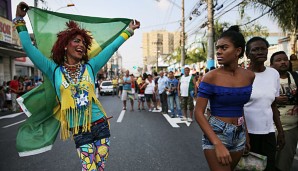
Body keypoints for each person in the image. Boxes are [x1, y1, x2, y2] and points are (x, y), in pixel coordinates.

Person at [14, 2, 140, 170]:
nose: (81, 45)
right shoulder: (53, 70)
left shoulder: (90, 67)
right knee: (89, 168)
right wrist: (19, 20)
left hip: (100, 124)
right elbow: (28, 47)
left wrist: (129, 31)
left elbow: (112, 48)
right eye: (76, 41)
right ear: (65, 45)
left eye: (83, 43)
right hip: (79, 130)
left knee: (98, 168)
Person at [195, 25, 255, 171]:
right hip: (217, 133)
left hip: (239, 133)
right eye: (218, 48)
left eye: (224, 47)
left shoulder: (249, 76)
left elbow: (241, 107)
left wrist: (245, 134)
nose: (219, 52)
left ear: (238, 51)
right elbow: (198, 112)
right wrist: (217, 143)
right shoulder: (211, 77)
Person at [244, 37, 285, 171]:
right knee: (249, 168)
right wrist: (244, 136)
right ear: (247, 54)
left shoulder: (273, 74)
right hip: (248, 134)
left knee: (269, 167)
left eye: (263, 49)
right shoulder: (242, 76)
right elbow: (237, 108)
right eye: (255, 49)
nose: (260, 52)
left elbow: (272, 105)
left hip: (268, 132)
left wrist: (280, 131)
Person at [270, 51, 298, 171]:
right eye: (278, 60)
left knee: (284, 164)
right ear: (271, 65)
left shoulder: (295, 77)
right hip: (270, 129)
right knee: (268, 162)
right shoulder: (268, 80)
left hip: (291, 128)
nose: (283, 62)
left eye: (285, 59)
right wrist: (275, 100)